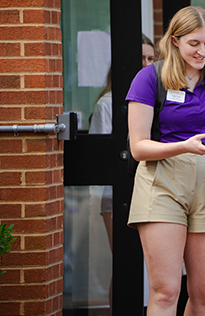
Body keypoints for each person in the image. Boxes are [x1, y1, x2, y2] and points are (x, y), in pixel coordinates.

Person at [126, 6, 205, 316]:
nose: (202, 51)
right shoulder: (150, 77)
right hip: (162, 181)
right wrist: (184, 146)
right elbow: (138, 147)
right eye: (194, 43)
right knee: (166, 291)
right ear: (174, 41)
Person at [89, 33, 159, 313]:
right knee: (126, 265)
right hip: (117, 196)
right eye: (139, 58)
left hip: (153, 192)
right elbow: (100, 159)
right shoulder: (107, 104)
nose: (145, 63)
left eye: (150, 58)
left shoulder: (160, 96)